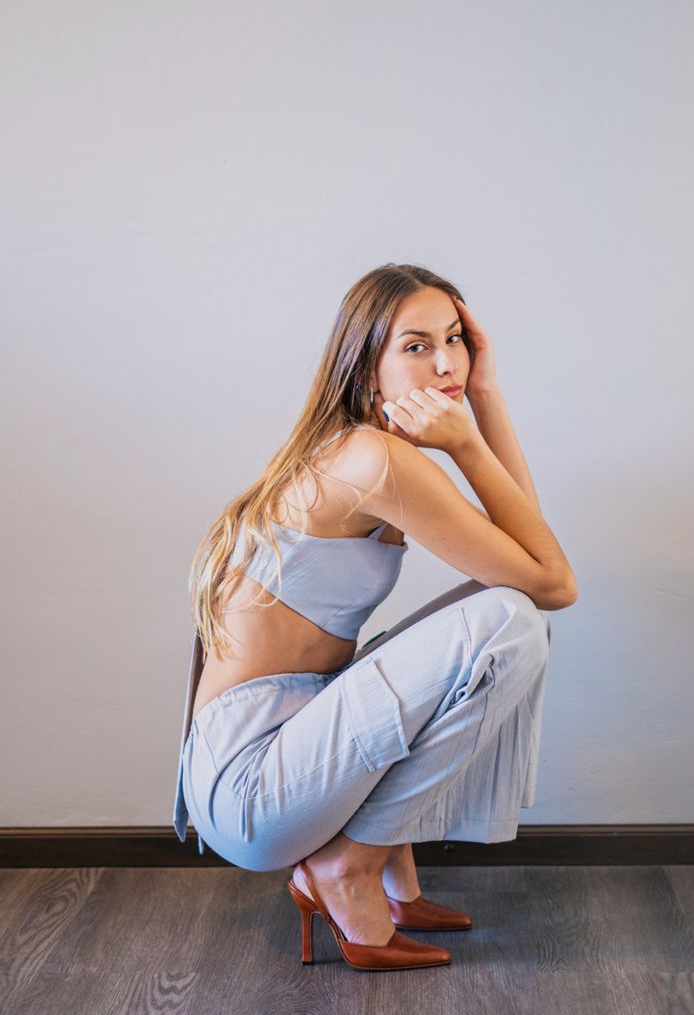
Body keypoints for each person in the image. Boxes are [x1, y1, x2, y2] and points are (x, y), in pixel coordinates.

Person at [172, 262, 578, 972]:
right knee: (510, 624)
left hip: (273, 748)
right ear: (367, 370)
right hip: (254, 782)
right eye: (416, 346)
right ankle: (346, 867)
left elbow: (527, 550)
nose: (447, 363)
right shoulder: (373, 459)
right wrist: (469, 443)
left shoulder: (349, 443)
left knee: (505, 612)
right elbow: (552, 579)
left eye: (455, 341)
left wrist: (485, 396)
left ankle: (392, 878)